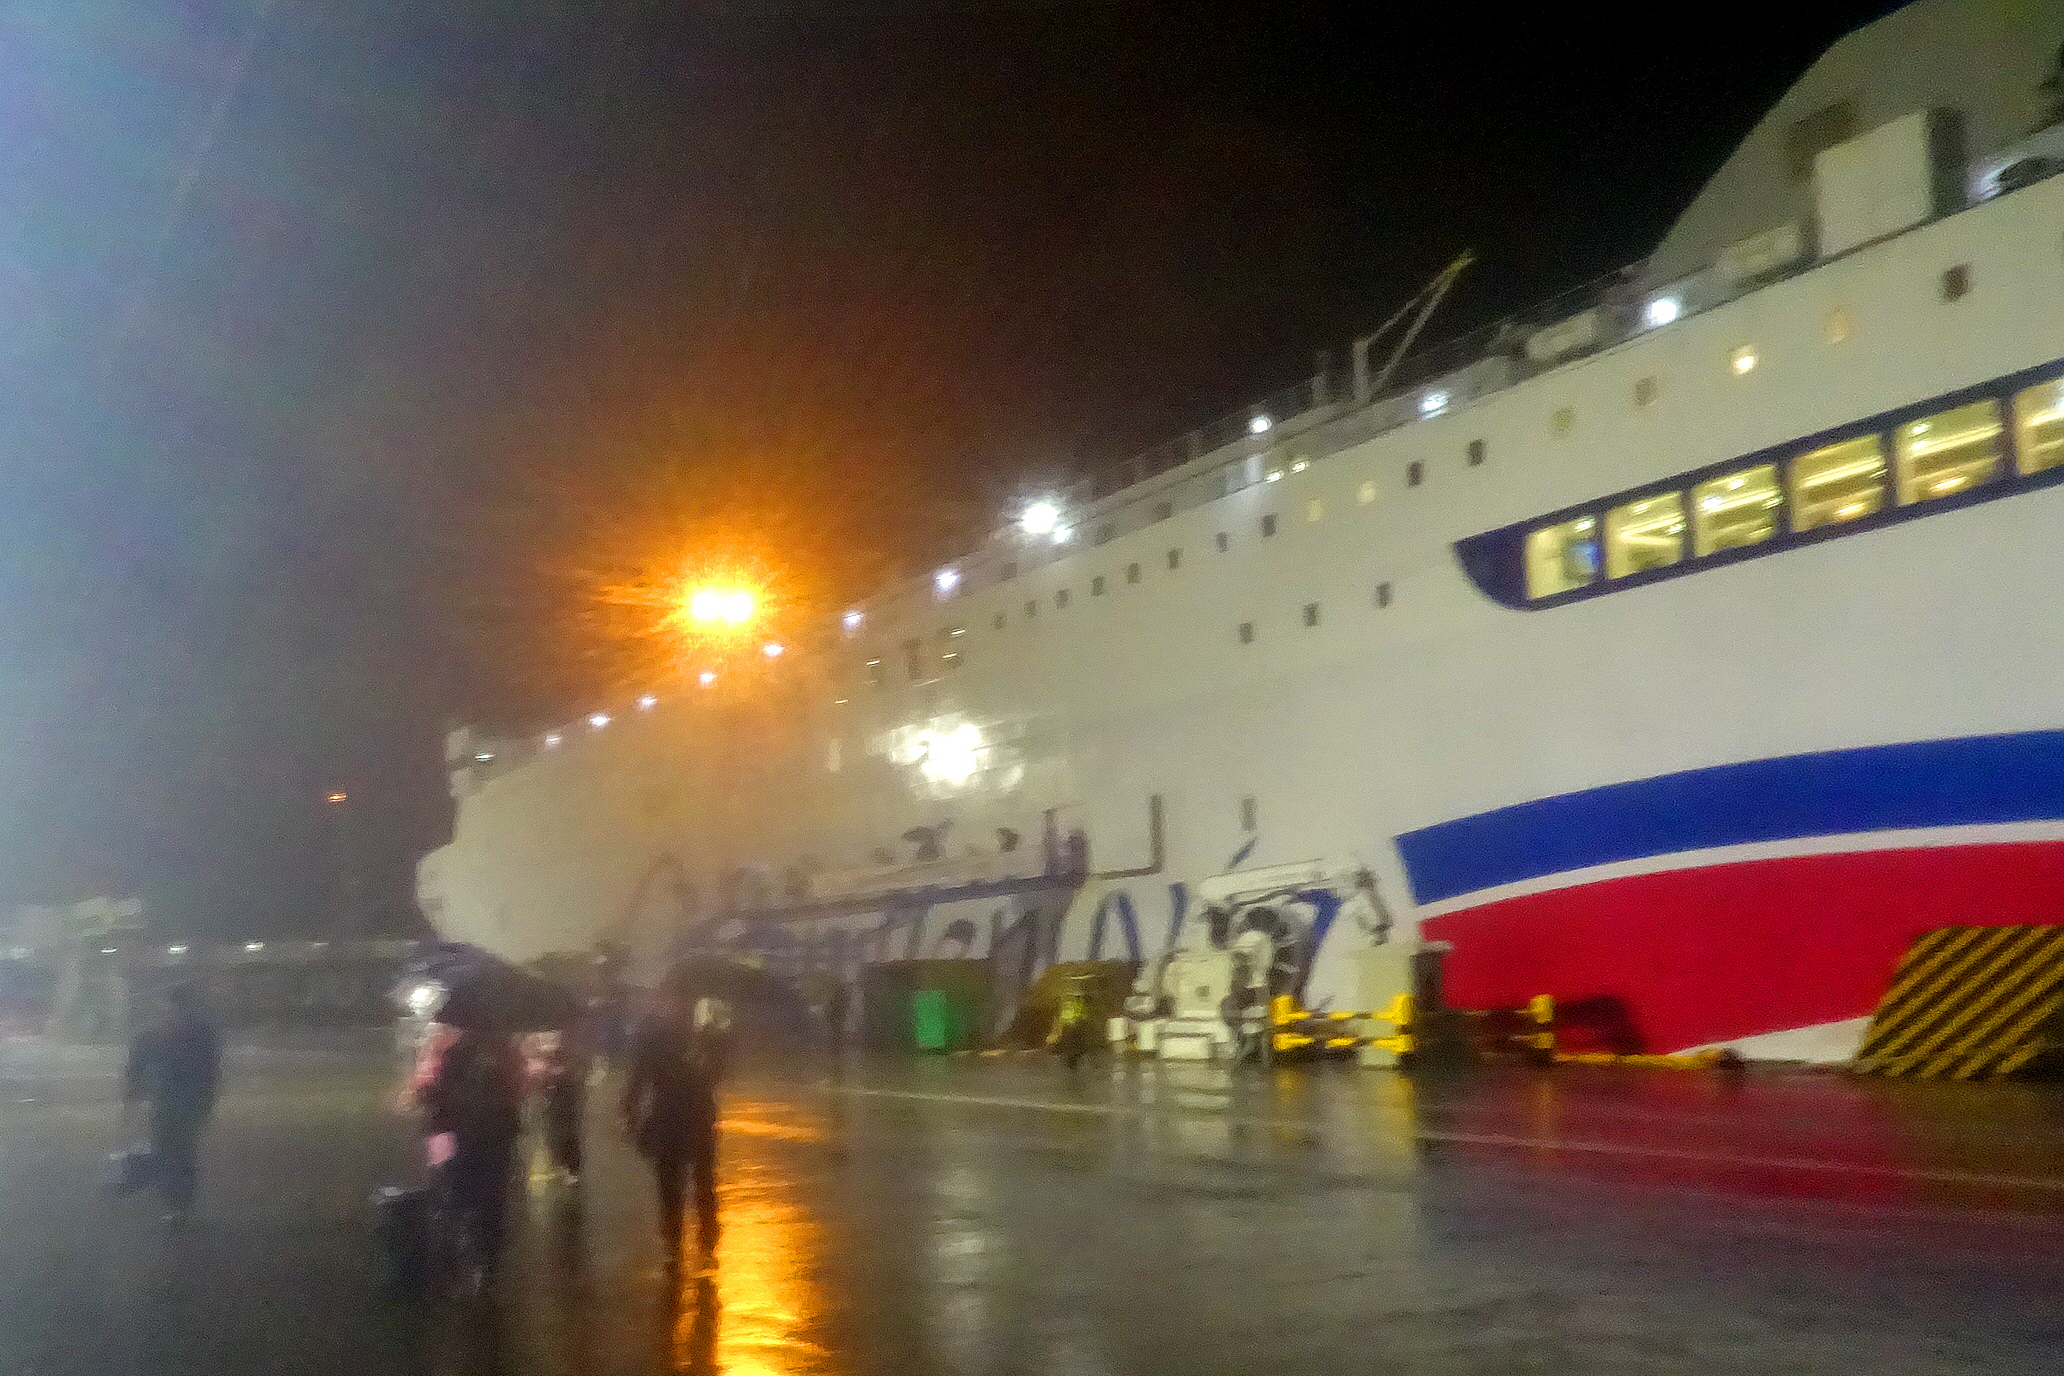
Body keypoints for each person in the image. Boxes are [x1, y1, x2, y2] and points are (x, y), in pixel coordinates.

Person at [406, 990, 524, 1294]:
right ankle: (487, 1265)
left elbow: (427, 1087)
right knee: (491, 1198)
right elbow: (517, 1090)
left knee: (446, 1189)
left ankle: (451, 1258)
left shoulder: (443, 1046)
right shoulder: (504, 1049)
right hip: (495, 1136)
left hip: (444, 1132)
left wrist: (416, 1095)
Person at [623, 970, 731, 1270]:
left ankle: (694, 1238)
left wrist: (630, 1110)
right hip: (678, 1117)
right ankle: (687, 1239)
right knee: (685, 1181)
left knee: (691, 1181)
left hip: (684, 1117)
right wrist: (630, 1108)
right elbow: (641, 1075)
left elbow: (716, 1073)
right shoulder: (663, 1034)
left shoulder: (706, 1035)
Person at [122, 982, 222, 1223]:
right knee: (181, 1150)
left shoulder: (159, 1031)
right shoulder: (201, 1031)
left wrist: (132, 1096)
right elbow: (211, 1068)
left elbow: (137, 1064)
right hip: (187, 1100)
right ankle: (179, 1202)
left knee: (171, 1150)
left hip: (169, 1100)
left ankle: (176, 1201)